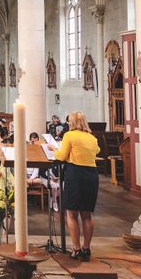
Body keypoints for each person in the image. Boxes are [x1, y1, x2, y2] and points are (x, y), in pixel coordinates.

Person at [48, 111, 100, 262]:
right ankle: (86, 248)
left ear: (72, 123)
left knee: (71, 213)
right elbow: (97, 151)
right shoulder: (92, 137)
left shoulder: (69, 135)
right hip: (91, 175)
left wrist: (53, 149)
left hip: (75, 173)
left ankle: (76, 249)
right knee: (87, 214)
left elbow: (61, 156)